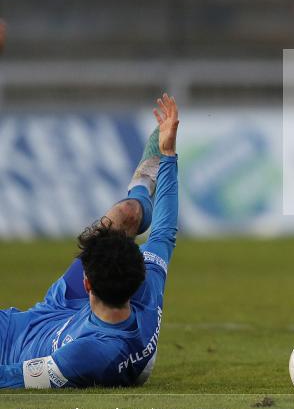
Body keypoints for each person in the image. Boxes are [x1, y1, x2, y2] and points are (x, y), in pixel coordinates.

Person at [0, 94, 180, 388]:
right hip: (69, 311)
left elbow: (15, 377)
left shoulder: (91, 352)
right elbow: (164, 231)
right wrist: (168, 154)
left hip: (13, 341)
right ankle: (140, 185)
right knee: (125, 214)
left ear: (87, 283)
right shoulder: (146, 292)